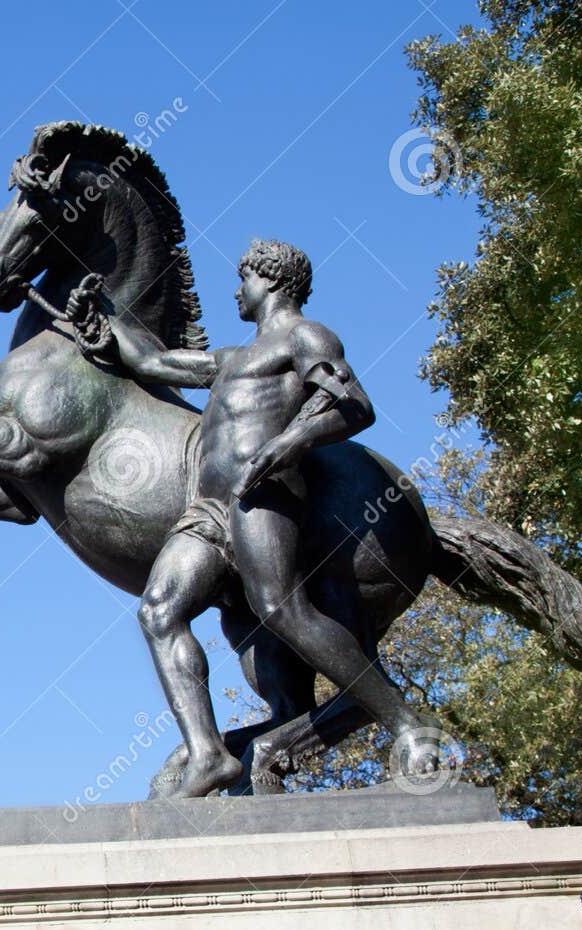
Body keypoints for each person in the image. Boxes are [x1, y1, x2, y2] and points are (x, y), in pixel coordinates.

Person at [93, 238, 435, 796]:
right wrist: (105, 312)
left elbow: (357, 406)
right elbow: (153, 363)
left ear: (271, 280)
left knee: (282, 611)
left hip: (265, 498)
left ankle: (408, 726)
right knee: (158, 612)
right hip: (208, 507)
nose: (236, 290)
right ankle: (209, 757)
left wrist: (290, 443)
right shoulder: (232, 359)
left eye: (243, 278)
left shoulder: (307, 337)